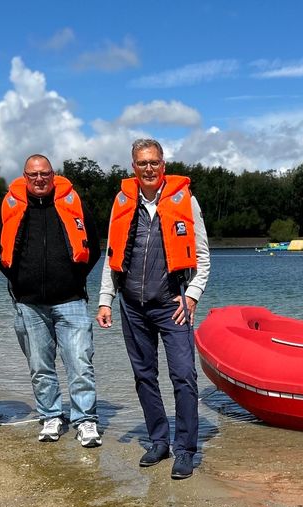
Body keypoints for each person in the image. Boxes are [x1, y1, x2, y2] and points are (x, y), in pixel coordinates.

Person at [96, 139, 210, 479]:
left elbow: (203, 257)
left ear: (163, 164)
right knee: (144, 376)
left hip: (173, 305)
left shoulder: (185, 201)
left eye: (154, 163)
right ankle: (159, 441)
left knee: (184, 376)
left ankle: (186, 449)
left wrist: (191, 296)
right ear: (133, 167)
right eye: (142, 163)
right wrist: (106, 299)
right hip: (132, 306)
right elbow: (112, 254)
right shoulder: (122, 202)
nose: (149, 169)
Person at [0, 154, 102, 446]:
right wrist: (17, 280)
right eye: (33, 175)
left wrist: (76, 278)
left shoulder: (72, 203)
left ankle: (86, 420)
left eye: (44, 174)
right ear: (24, 177)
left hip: (71, 300)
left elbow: (94, 247)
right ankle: (51, 416)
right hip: (29, 303)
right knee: (40, 367)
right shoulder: (11, 207)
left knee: (80, 363)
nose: (39, 179)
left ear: (53, 175)